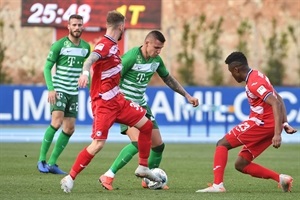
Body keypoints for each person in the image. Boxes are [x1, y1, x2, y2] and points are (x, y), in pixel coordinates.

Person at [60, 10, 162, 193]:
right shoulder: (105, 44)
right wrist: (84, 73)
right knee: (98, 144)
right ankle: (70, 177)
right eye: (124, 27)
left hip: (118, 100)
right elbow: (91, 58)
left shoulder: (114, 46)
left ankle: (143, 167)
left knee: (146, 126)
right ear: (121, 27)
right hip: (104, 105)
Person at [99, 30, 199, 190]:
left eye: (161, 48)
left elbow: (168, 79)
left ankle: (148, 179)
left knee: (158, 145)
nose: (158, 51)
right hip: (126, 106)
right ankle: (108, 175)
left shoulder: (156, 60)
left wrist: (187, 95)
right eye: (156, 47)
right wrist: (114, 97)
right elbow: (112, 76)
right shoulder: (131, 57)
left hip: (143, 106)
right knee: (138, 143)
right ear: (147, 43)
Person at [196, 51, 297, 193]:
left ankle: (217, 185)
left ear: (236, 69)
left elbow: (275, 102)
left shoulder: (254, 83)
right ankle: (281, 179)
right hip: (270, 126)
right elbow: (279, 97)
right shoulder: (258, 75)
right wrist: (284, 124)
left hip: (261, 124)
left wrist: (277, 134)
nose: (232, 76)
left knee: (222, 144)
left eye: (231, 72)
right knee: (241, 164)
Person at [37, 14, 91, 174]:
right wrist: (51, 88)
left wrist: (87, 78)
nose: (77, 28)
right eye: (74, 25)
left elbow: (85, 69)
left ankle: (52, 163)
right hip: (59, 89)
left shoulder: (86, 48)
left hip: (73, 93)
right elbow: (47, 68)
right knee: (57, 122)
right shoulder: (59, 45)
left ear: (83, 26)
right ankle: (41, 160)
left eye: (79, 25)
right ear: (68, 26)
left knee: (69, 128)